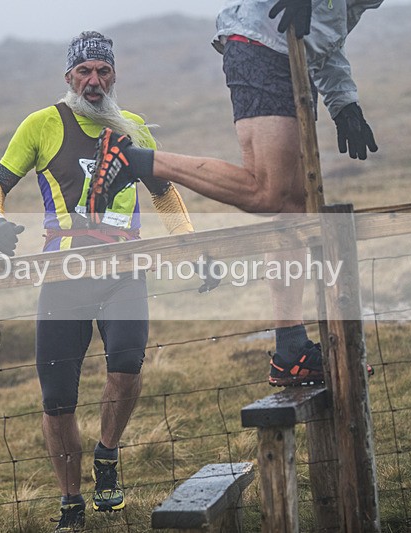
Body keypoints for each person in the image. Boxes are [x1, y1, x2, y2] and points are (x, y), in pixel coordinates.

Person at [86, 0, 381, 387]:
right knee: (268, 192)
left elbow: (330, 33)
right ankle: (132, 161)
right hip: (261, 47)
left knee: (294, 207)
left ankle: (290, 347)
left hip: (289, 56)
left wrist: (344, 103)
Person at [0, 31, 196, 532]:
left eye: (103, 71)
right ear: (69, 78)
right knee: (57, 398)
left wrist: (192, 247)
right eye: (85, 72)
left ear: (114, 74)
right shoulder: (42, 124)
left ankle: (107, 454)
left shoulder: (134, 127)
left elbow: (164, 193)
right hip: (64, 274)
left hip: (124, 270)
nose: (94, 81)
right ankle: (71, 501)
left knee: (126, 363)